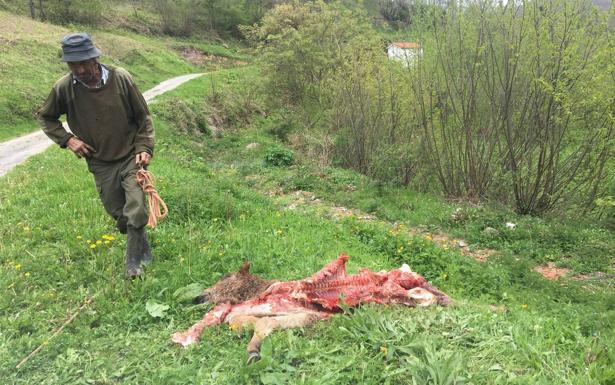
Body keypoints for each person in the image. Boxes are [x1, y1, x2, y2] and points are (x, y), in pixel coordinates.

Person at [38, 32, 154, 279]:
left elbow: (143, 117)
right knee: (120, 216)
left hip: (130, 155)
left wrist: (144, 147)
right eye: (73, 64)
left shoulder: (120, 78)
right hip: (100, 161)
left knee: (136, 208)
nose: (78, 69)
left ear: (95, 58)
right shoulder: (64, 88)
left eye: (83, 63)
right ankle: (143, 248)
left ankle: (133, 265)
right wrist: (68, 139)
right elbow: (46, 118)